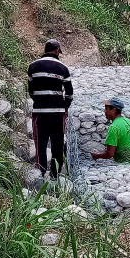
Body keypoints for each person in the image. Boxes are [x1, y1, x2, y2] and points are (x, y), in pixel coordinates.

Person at [28, 39, 73, 179]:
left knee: (40, 143)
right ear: (57, 50)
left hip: (40, 113)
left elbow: (31, 91)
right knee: (57, 144)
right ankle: (55, 175)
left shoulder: (32, 66)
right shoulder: (63, 68)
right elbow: (69, 93)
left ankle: (40, 172)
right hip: (57, 113)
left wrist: (40, 101)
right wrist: (64, 107)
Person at [92, 98, 130, 164]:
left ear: (114, 110)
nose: (105, 112)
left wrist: (96, 156)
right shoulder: (128, 121)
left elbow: (110, 154)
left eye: (106, 109)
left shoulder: (114, 127)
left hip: (128, 163)